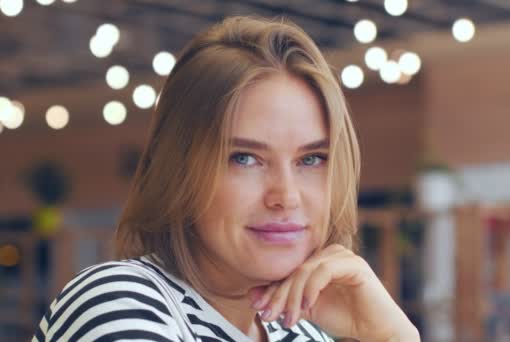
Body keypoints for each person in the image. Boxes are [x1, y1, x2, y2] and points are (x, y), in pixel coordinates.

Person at [33, 16, 420, 341]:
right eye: (245, 158)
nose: (286, 196)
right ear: (179, 171)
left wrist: (392, 336)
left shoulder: (301, 333)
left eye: (312, 158)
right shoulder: (119, 301)